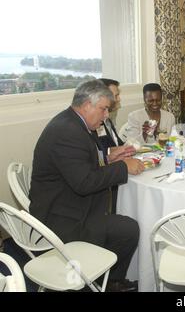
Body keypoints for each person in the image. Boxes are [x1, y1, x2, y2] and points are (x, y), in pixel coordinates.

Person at [29, 80, 145, 292]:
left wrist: (109, 157)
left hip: (65, 201)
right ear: (86, 105)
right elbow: (84, 183)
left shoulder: (72, 123)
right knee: (128, 229)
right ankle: (103, 283)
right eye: (103, 109)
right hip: (62, 217)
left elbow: (80, 162)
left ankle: (108, 281)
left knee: (124, 225)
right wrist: (123, 168)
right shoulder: (68, 132)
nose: (105, 116)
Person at [96, 78, 128, 214]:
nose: (119, 99)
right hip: (106, 182)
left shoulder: (107, 119)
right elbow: (102, 153)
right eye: (116, 95)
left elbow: (118, 144)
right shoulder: (96, 123)